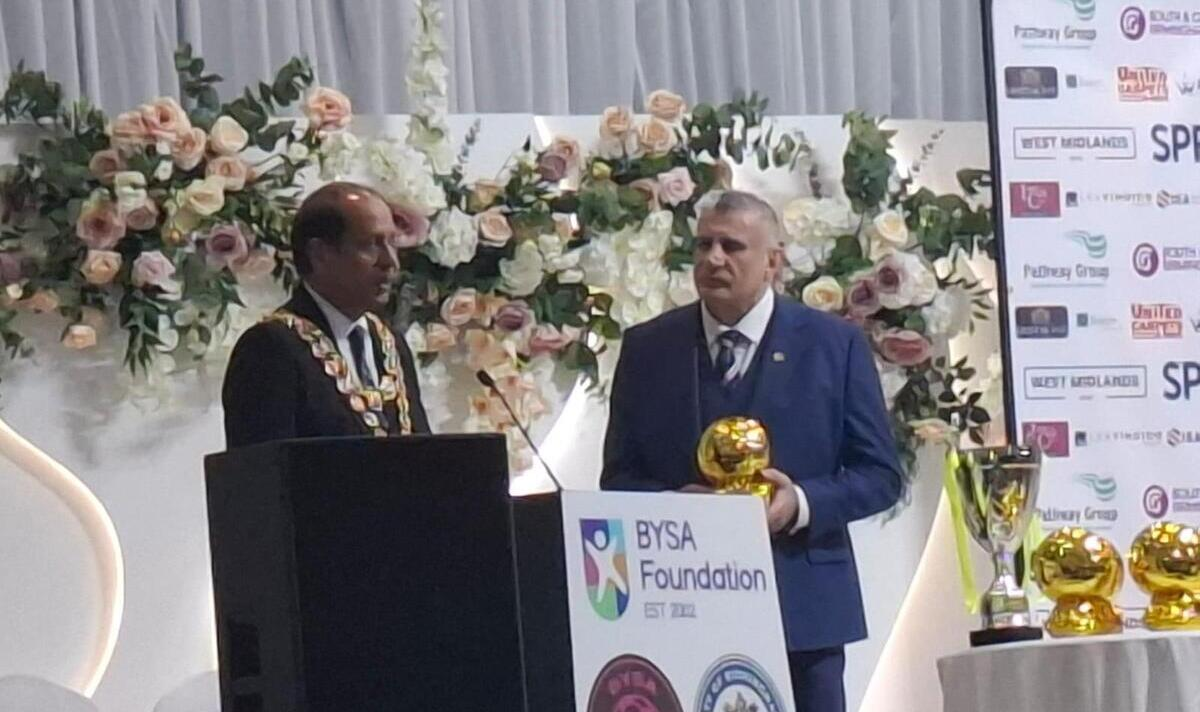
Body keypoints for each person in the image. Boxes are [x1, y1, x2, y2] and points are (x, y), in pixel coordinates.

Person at [601, 190, 903, 712]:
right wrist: (676, 508)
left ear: (772, 262)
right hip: (678, 611)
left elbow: (880, 475)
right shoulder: (648, 348)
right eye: (703, 245)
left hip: (802, 612)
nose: (713, 258)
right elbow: (619, 478)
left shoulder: (834, 345)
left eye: (732, 246)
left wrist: (798, 504)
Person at [222, 182, 429, 448]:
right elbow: (264, 468)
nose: (391, 262)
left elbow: (425, 452)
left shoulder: (390, 341)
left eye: (392, 243)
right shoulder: (271, 347)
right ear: (320, 254)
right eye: (370, 245)